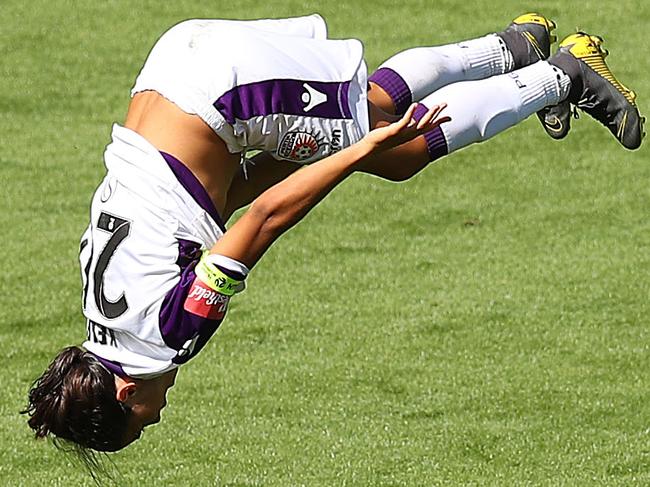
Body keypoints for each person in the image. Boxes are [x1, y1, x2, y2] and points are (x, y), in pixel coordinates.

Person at [24, 12, 643, 463]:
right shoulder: (97, 316)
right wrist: (344, 150)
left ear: (126, 392)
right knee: (371, 129)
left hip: (219, 92)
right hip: (175, 76)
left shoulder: (166, 341)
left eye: (143, 421)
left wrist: (354, 153)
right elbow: (220, 195)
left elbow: (261, 219)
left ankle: (565, 74)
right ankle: (518, 46)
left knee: (383, 136)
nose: (158, 415)